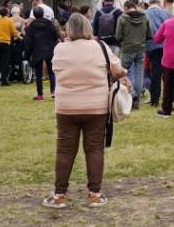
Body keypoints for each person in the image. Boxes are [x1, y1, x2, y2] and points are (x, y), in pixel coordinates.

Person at [43, 13, 126, 209]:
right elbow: (118, 69)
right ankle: (95, 194)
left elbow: (55, 70)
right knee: (95, 149)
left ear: (68, 29)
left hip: (66, 107)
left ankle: (59, 195)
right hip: (96, 107)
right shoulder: (100, 47)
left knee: (64, 151)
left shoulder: (60, 49)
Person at [114, 0, 152, 110]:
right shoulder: (145, 17)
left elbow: (118, 36)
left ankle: (132, 94)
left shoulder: (122, 18)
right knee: (139, 75)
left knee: (122, 73)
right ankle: (137, 102)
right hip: (140, 49)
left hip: (127, 49)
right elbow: (149, 35)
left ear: (125, 8)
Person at [23, 9, 60, 101]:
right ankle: (53, 92)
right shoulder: (49, 23)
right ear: (43, 14)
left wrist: (27, 54)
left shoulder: (32, 26)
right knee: (51, 72)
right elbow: (55, 35)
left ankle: (40, 94)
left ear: (34, 15)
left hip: (37, 50)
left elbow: (29, 40)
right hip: (49, 50)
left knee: (38, 74)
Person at [144, 0, 170, 108]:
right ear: (159, 3)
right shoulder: (165, 13)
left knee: (155, 73)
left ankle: (155, 99)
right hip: (165, 45)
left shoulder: (145, 14)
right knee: (168, 74)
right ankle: (170, 97)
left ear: (149, 3)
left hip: (151, 46)